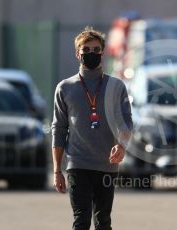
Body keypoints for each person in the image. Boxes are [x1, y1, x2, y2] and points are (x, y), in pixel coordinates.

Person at [51, 26, 133, 230]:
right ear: (77, 53)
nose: (91, 54)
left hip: (107, 165)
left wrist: (122, 145)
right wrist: (57, 171)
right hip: (78, 165)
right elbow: (59, 129)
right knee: (81, 220)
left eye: (96, 50)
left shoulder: (116, 86)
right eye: (85, 50)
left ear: (103, 53)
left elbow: (126, 120)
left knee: (103, 222)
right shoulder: (65, 88)